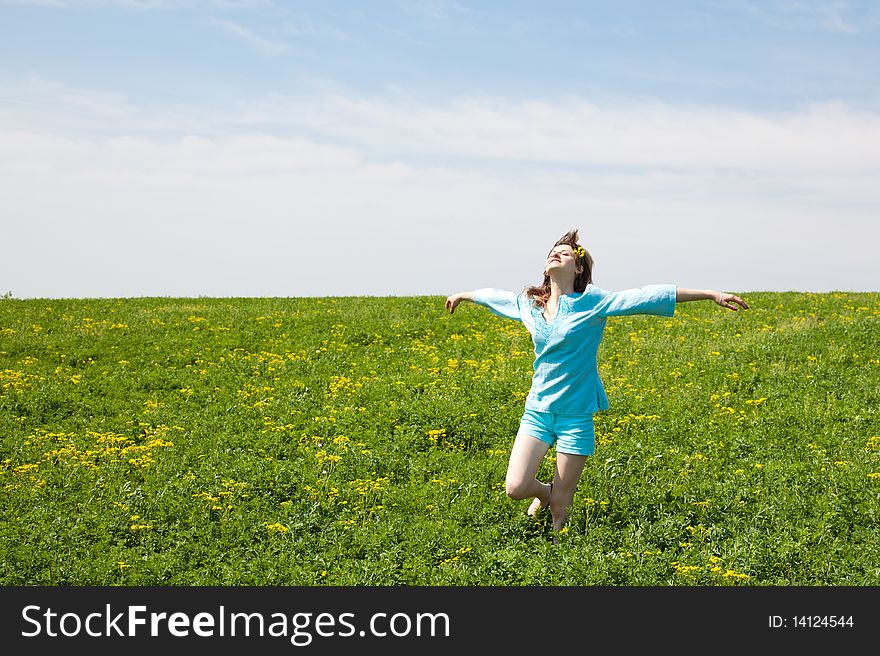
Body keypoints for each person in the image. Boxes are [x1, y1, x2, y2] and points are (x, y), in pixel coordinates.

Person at [444, 228, 749, 536]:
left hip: (575, 416)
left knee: (561, 506)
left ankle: (557, 550)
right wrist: (465, 295)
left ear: (578, 268)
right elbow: (497, 297)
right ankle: (543, 492)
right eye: (554, 251)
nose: (557, 253)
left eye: (566, 253)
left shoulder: (593, 303)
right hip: (537, 411)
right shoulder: (531, 304)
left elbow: (645, 296)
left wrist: (710, 294)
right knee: (515, 487)